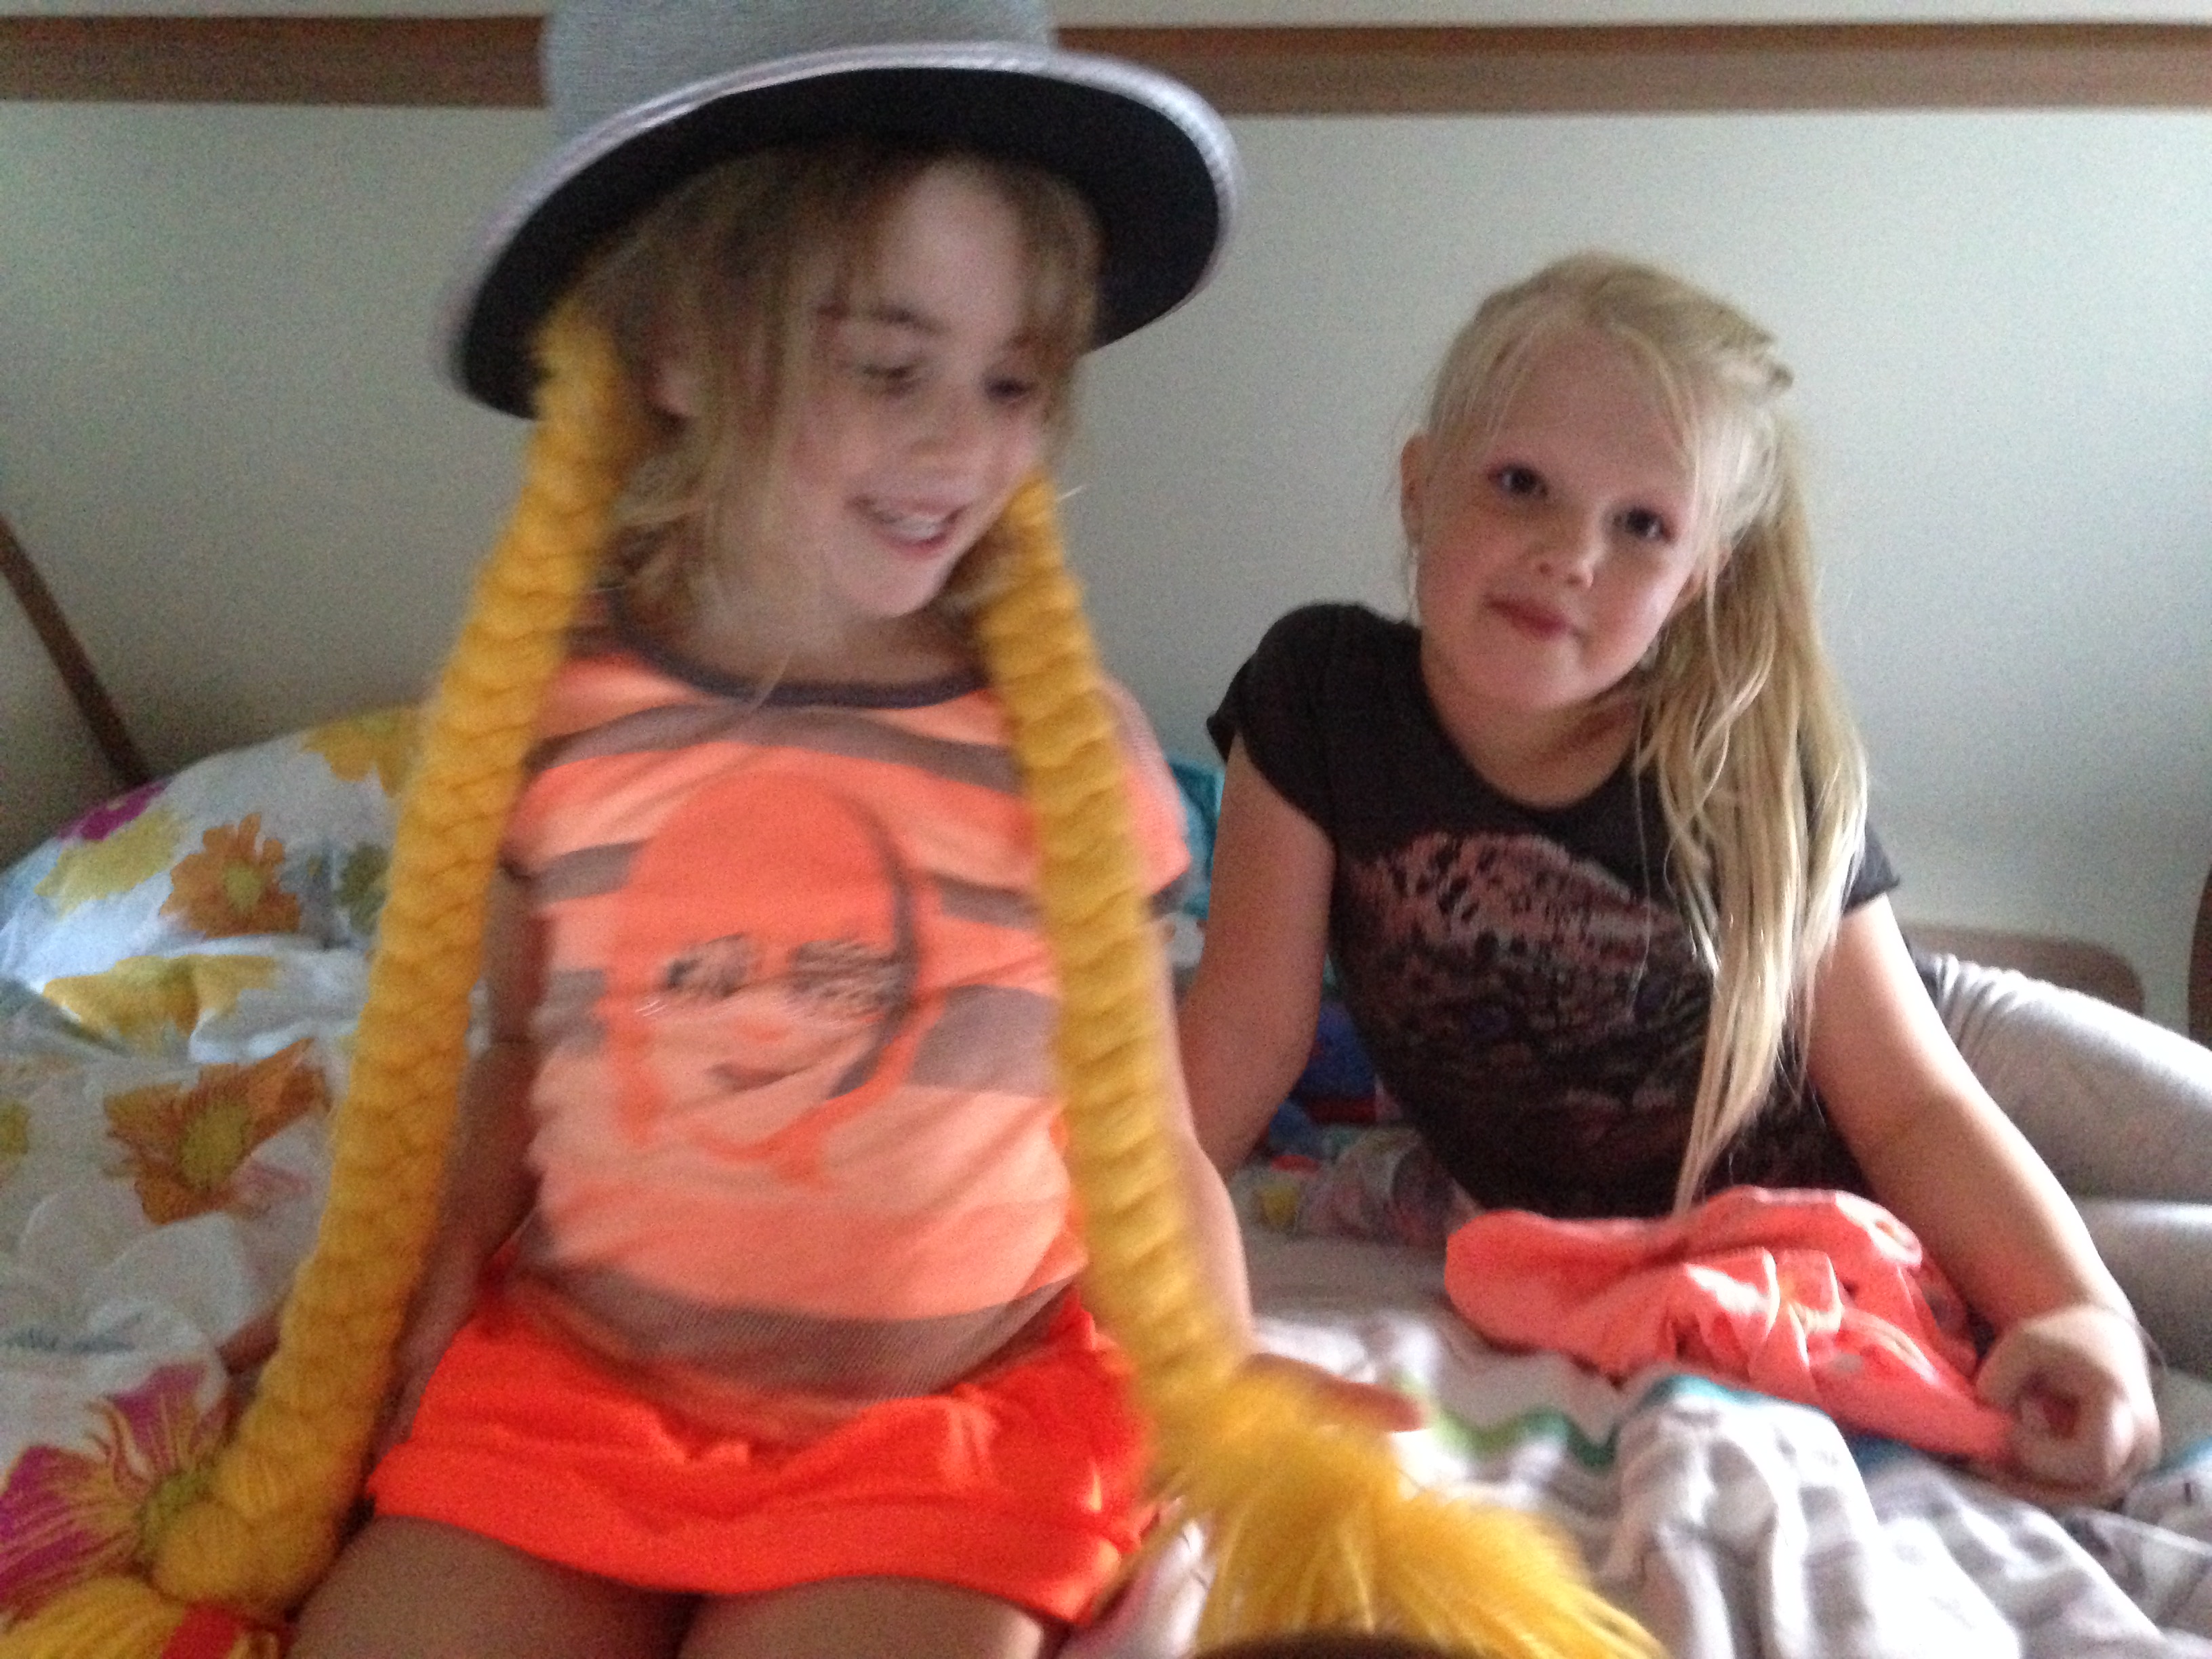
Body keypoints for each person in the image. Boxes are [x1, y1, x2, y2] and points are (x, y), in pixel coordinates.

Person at [289, 3, 1270, 1654]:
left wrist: (1229, 1418)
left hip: (943, 1433)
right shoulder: (551, 715)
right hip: (584, 1395)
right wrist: (431, 1254)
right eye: (889, 367)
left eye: (1013, 381)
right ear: (673, 342)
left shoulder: (1062, 757)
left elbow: (1151, 1135)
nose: (962, 445)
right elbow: (521, 1044)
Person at [1178, 251, 2165, 1509]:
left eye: (1640, 525)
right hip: (1790, 1222)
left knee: (2121, 1296)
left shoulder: (1744, 758)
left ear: (1696, 575)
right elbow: (1238, 1039)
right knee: (2164, 1278)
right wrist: (1083, 1269)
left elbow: (1914, 1107)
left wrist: (2078, 1311)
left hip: (1930, 1059)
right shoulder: (1320, 699)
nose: (1569, 553)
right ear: (1422, 487)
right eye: (1521, 484)